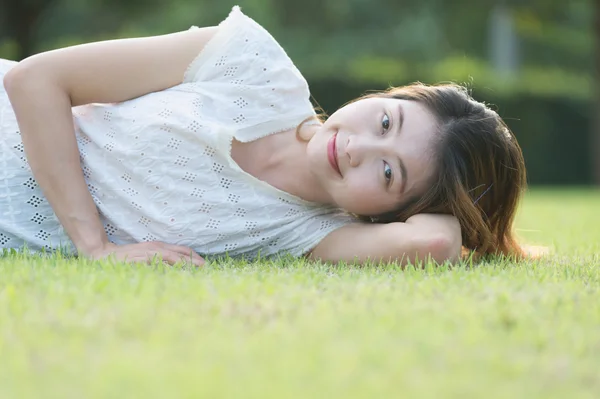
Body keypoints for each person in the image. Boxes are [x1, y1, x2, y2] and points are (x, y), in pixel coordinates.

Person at [0, 6, 526, 267]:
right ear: (388, 94)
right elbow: (34, 79)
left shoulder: (306, 233)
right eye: (387, 121)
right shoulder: (250, 64)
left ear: (393, 211)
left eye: (389, 173)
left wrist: (455, 204)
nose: (358, 148)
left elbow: (434, 241)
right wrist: (94, 246)